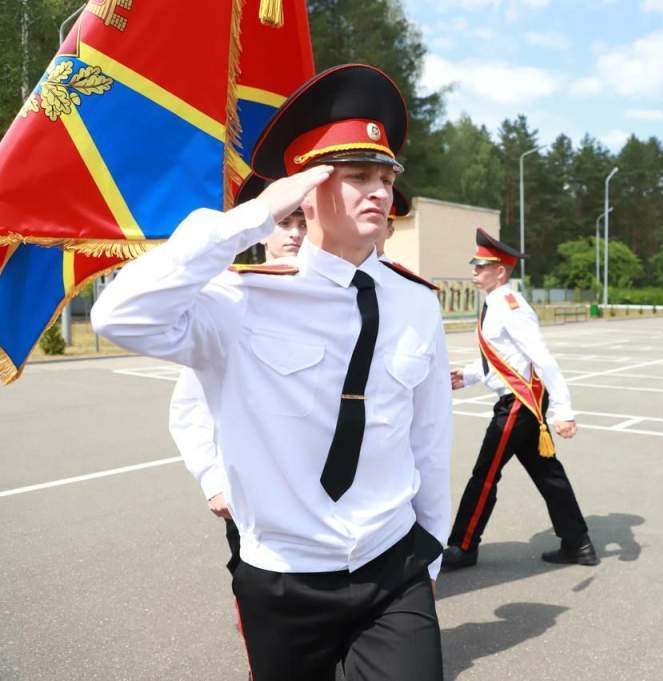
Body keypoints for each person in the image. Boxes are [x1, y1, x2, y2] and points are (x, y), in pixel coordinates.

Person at [92, 65, 451, 681]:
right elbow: (119, 316)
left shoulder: (416, 300)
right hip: (286, 576)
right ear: (305, 194)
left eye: (385, 177)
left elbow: (429, 438)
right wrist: (251, 219)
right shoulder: (238, 300)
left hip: (393, 566)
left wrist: (433, 550)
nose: (380, 192)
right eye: (356, 177)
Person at [168, 173, 307, 575]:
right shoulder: (231, 297)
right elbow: (189, 405)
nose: (295, 234)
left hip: (317, 489)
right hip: (250, 485)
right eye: (284, 223)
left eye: (303, 223)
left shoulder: (335, 297)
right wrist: (212, 479)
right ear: (262, 230)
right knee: (254, 586)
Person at [442, 228, 597, 571]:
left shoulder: (510, 306)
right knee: (547, 473)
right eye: (475, 265)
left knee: (484, 474)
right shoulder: (496, 303)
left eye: (481, 266)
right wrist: (467, 376)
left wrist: (564, 410)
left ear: (501, 271)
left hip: (517, 404)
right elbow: (506, 359)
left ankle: (463, 546)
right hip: (520, 401)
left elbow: (541, 358)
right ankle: (578, 543)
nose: (474, 271)